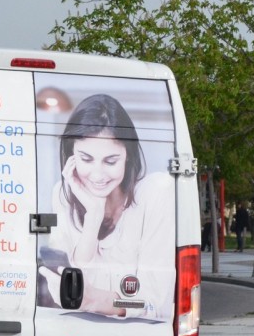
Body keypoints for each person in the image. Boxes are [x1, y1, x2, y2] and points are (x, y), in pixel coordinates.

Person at [44, 93, 173, 321]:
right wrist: (93, 217)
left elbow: (156, 303)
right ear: (71, 155)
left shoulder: (155, 192)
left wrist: (96, 300)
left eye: (110, 161)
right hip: (75, 333)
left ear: (128, 157)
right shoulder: (64, 194)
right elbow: (67, 289)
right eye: (86, 159)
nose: (97, 175)